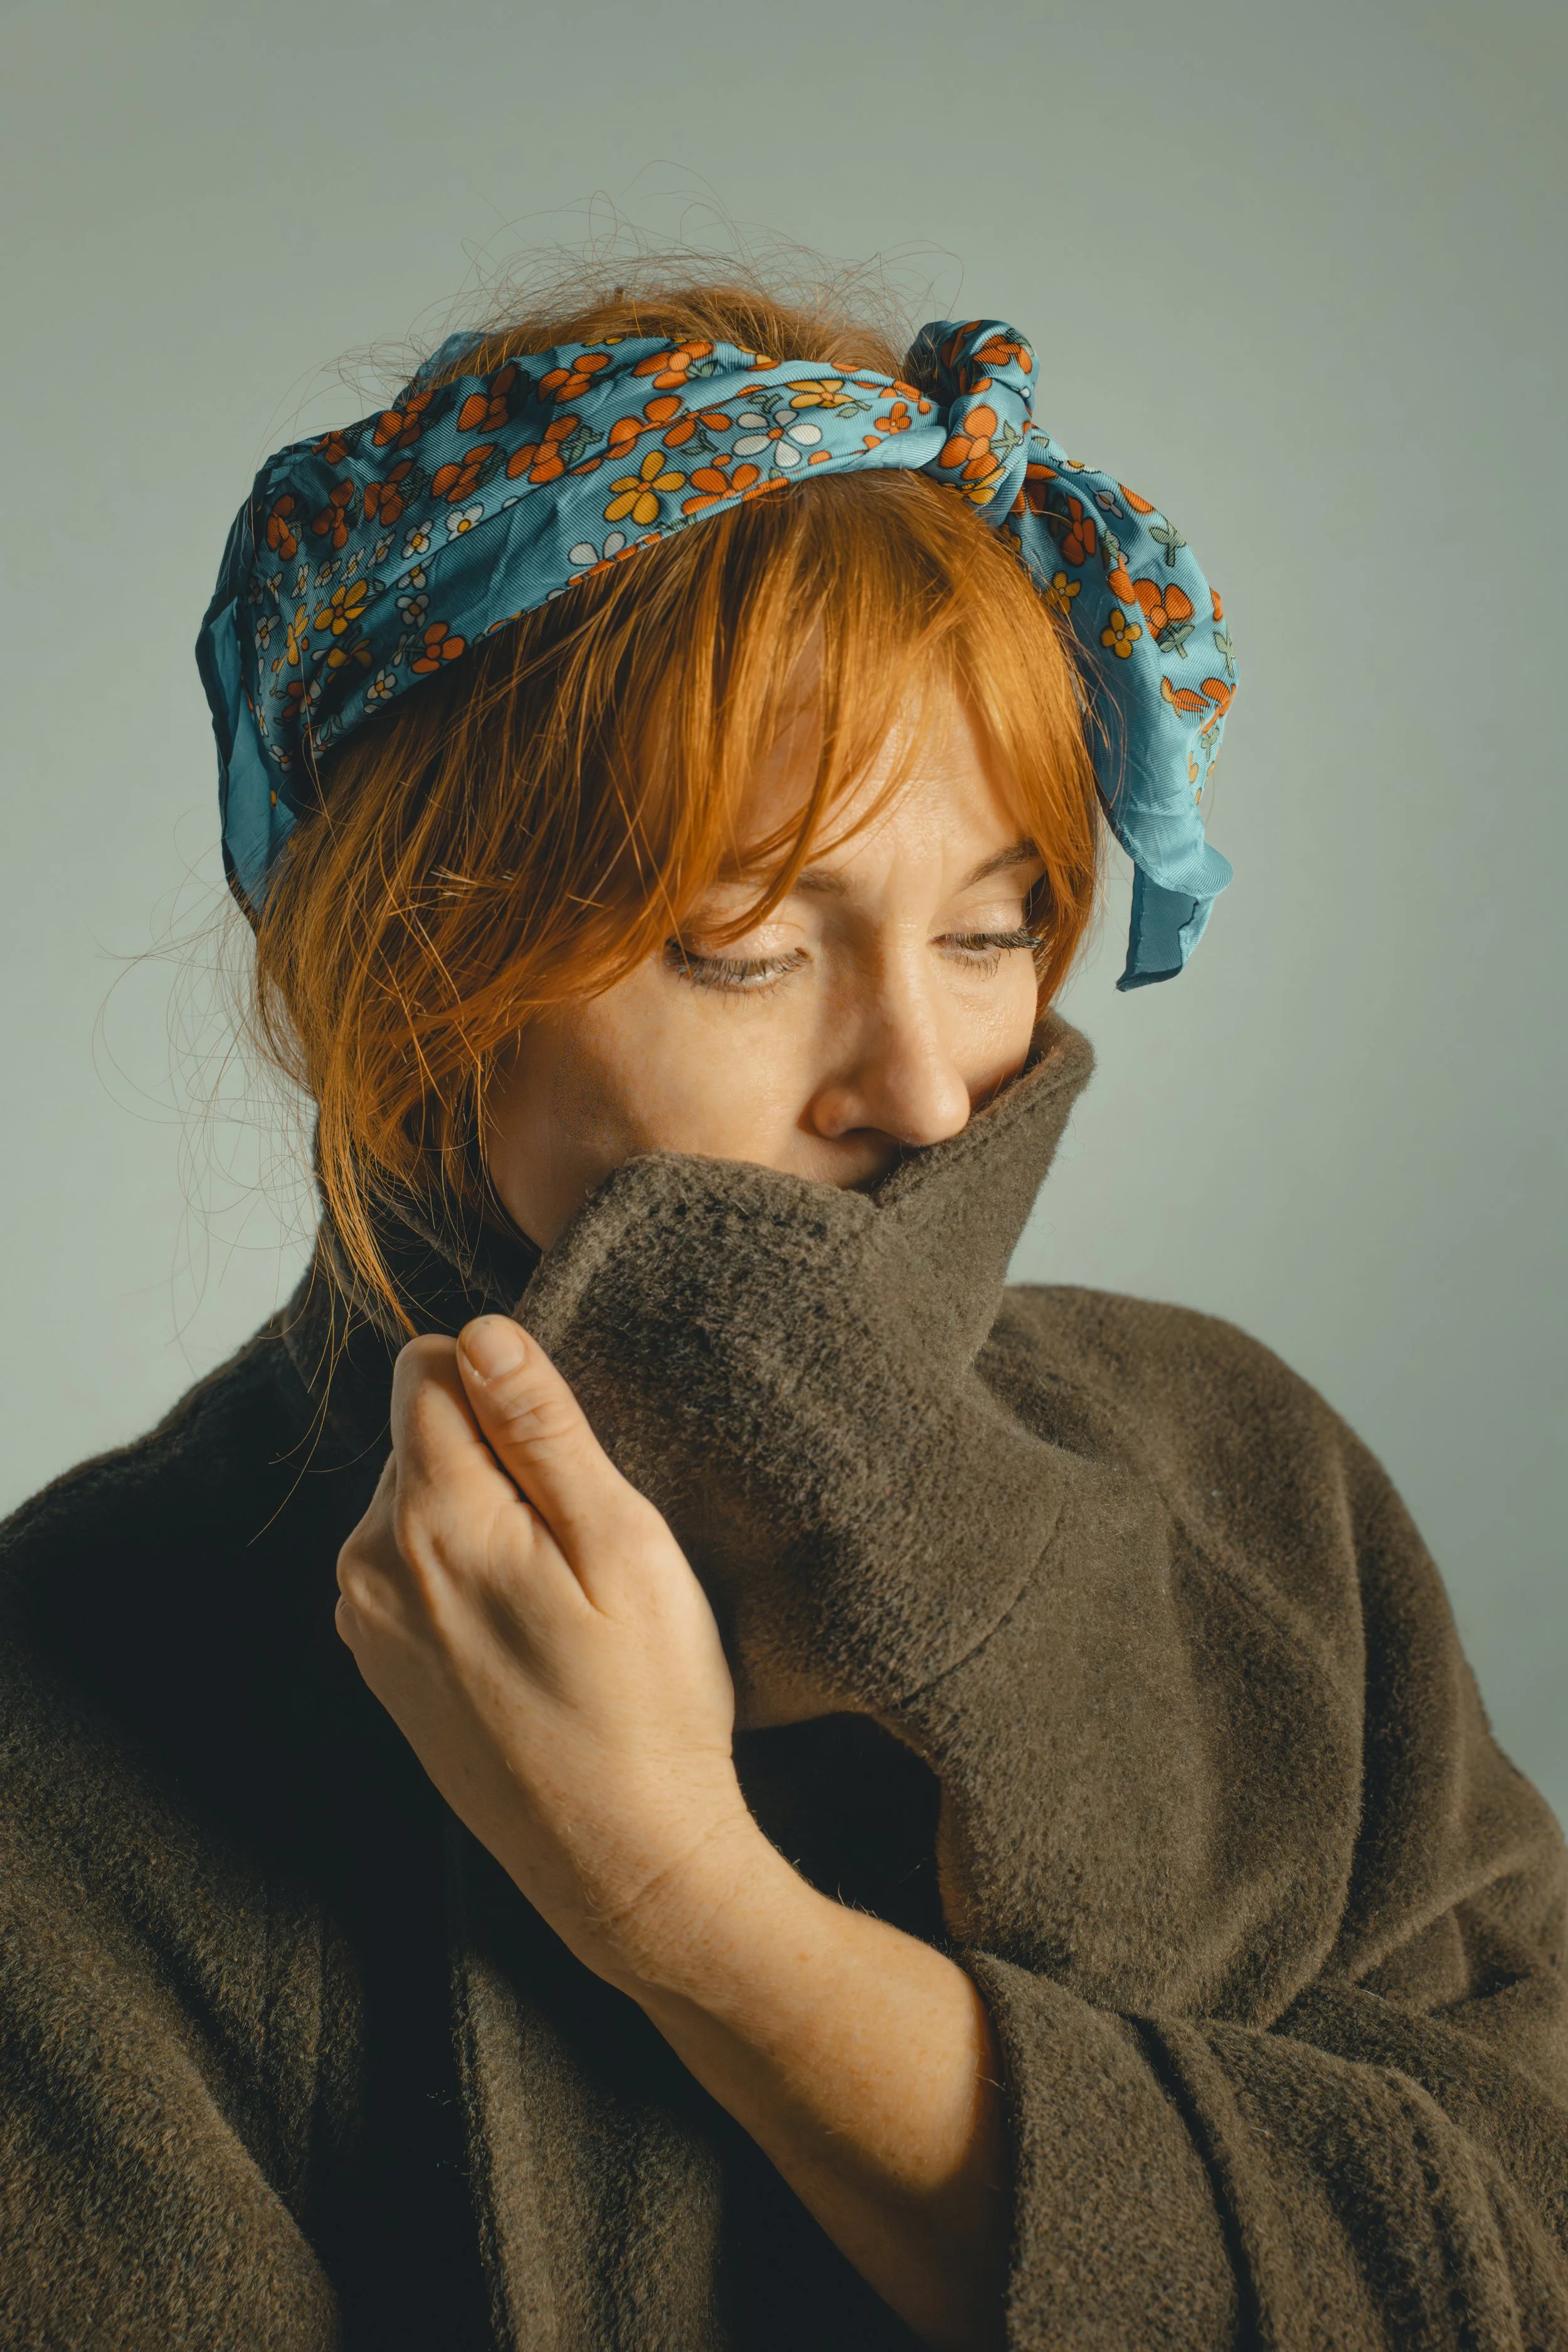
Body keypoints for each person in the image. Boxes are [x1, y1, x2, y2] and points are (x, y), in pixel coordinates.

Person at [2, 270, 1564, 2352]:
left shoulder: (1260, 1491)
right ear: (417, 989)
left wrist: (696, 1917)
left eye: (995, 925)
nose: (926, 1088)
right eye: (744, 947)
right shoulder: (71, 1716)